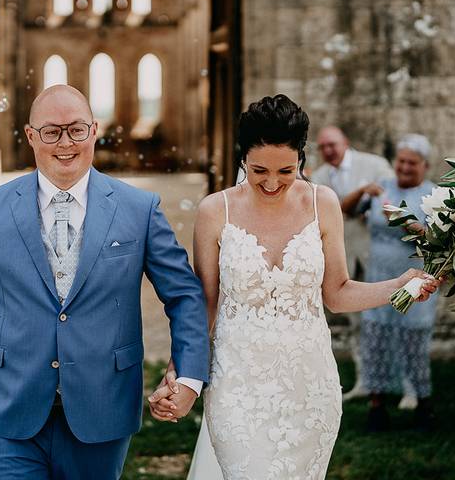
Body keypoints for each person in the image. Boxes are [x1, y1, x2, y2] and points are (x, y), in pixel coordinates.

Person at [152, 95, 440, 480]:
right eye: (259, 171)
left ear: (301, 160)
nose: (272, 183)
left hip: (310, 387)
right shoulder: (213, 212)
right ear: (242, 160)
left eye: (286, 171)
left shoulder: (324, 203)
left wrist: (399, 285)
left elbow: (336, 293)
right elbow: (204, 306)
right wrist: (181, 374)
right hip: (236, 386)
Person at [0, 85, 210, 479]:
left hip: (101, 410)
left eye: (77, 130)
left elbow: (183, 295)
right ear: (30, 136)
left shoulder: (139, 209)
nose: (65, 143)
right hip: (5, 410)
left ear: (94, 130)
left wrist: (189, 377)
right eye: (51, 132)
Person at [343, 133, 437, 431]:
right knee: (376, 340)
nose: (405, 168)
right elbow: (345, 210)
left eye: (412, 163)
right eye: (401, 161)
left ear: (425, 165)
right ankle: (377, 407)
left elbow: (435, 238)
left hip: (414, 278)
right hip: (378, 276)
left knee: (413, 342)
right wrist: (360, 191)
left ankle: (422, 406)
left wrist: (401, 218)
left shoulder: (433, 196)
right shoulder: (381, 188)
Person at [309, 126, 395, 402]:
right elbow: (334, 209)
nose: (328, 151)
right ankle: (366, 380)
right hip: (342, 256)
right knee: (356, 322)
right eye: (323, 147)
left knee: (391, 316)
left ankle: (404, 384)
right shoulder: (320, 177)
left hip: (375, 250)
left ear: (346, 142)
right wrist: (360, 193)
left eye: (332, 144)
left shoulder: (374, 164)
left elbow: (392, 199)